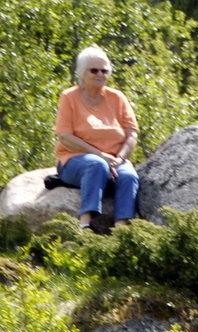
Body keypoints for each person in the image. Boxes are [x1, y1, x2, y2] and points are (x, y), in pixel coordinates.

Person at [53, 46, 139, 228]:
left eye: (104, 70)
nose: (100, 74)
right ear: (82, 73)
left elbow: (131, 134)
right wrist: (101, 155)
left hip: (115, 161)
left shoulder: (117, 98)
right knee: (96, 164)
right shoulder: (69, 97)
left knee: (129, 176)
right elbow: (65, 136)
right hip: (75, 161)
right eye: (94, 70)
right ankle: (86, 224)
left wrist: (119, 159)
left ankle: (123, 231)